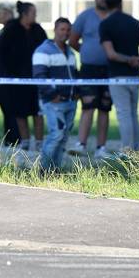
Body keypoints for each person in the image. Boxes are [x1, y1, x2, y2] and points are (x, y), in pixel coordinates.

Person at [99, 0, 139, 150]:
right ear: (121, 4)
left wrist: (128, 60)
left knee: (123, 114)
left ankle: (128, 151)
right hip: (135, 76)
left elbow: (111, 54)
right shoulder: (134, 22)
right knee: (133, 113)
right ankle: (135, 149)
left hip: (117, 76)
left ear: (106, 5)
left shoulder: (105, 24)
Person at [0, 1, 47, 150]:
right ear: (24, 14)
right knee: (20, 112)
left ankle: (39, 143)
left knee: (38, 111)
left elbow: (45, 47)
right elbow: (0, 51)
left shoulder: (38, 29)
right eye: (33, 13)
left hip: (36, 77)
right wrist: (7, 71)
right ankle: (25, 141)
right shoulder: (11, 29)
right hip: (16, 78)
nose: (35, 16)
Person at [69, 0, 112, 156]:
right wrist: (87, 52)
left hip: (110, 69)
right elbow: (73, 40)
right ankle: (81, 144)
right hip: (88, 70)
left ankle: (101, 148)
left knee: (105, 107)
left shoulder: (115, 16)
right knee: (87, 106)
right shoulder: (85, 16)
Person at [33, 18, 79, 170]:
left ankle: (55, 170)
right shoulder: (43, 51)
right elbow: (39, 76)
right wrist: (52, 95)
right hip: (53, 102)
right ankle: (44, 170)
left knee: (64, 137)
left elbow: (74, 74)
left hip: (71, 101)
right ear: (55, 30)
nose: (65, 33)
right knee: (56, 135)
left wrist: (77, 92)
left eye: (68, 30)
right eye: (62, 29)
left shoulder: (70, 52)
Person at [0, 4, 19, 145]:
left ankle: (13, 138)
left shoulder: (11, 29)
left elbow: (2, 51)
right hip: (0, 75)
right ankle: (9, 136)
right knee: (7, 108)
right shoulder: (5, 30)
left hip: (6, 75)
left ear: (8, 13)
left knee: (10, 108)